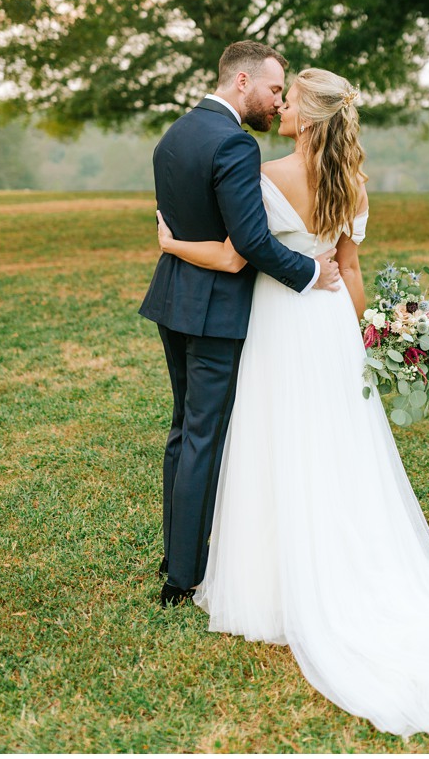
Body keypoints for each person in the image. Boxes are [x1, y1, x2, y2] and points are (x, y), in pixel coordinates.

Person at [153, 67, 429, 738]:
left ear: (306, 115)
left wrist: (172, 241)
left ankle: (269, 577)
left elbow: (246, 248)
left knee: (272, 438)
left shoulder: (265, 173)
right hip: (331, 322)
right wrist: (364, 335)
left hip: (278, 320)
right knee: (338, 443)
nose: (280, 106)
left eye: (289, 99)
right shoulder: (351, 184)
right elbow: (351, 268)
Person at [140, 41, 344, 608]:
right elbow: (249, 244)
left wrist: (180, 246)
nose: (277, 103)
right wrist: (310, 271)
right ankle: (181, 576)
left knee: (183, 431)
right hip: (216, 312)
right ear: (242, 83)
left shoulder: (175, 134)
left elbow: (193, 221)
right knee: (203, 435)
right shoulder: (233, 141)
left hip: (173, 300)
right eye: (274, 89)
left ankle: (174, 551)